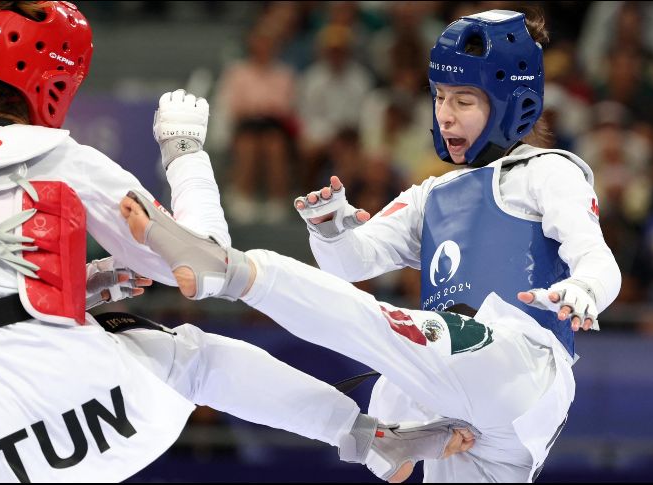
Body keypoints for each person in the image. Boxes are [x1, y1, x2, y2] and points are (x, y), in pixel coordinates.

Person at [0, 2, 480, 482]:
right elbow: (204, 264)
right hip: (81, 400)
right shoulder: (68, 160)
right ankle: (367, 439)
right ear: (58, 83)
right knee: (196, 359)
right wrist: (185, 154)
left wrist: (70, 287)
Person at [120, 9, 621, 483]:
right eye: (439, 97)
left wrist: (585, 290)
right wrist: (332, 231)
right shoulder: (431, 196)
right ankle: (384, 440)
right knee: (389, 387)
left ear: (515, 103)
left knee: (382, 329)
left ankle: (230, 270)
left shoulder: (547, 171)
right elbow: (350, 264)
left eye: (463, 101)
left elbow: (598, 260)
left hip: (519, 370)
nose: (445, 116)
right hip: (463, 414)